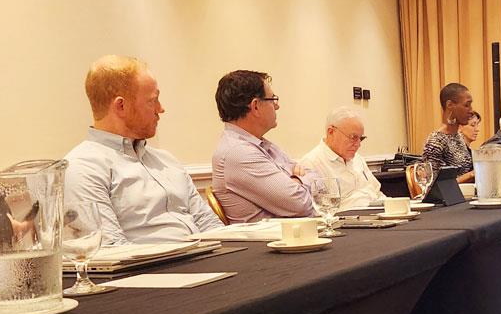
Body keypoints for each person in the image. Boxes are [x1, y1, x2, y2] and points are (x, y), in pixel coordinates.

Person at [64, 56, 223, 244]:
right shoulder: (82, 168)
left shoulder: (166, 160)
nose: (160, 109)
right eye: (152, 101)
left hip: (202, 260)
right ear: (121, 106)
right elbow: (113, 249)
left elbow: (208, 224)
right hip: (158, 270)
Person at [211, 70, 315, 223]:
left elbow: (318, 178)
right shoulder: (238, 153)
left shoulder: (261, 144)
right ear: (256, 106)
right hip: (270, 243)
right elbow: (301, 204)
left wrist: (296, 181)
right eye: (273, 99)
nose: (277, 106)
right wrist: (298, 178)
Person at [299, 106, 385, 210]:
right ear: (331, 132)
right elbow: (321, 211)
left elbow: (377, 191)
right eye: (353, 137)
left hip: (377, 214)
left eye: (360, 138)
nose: (358, 145)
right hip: (347, 221)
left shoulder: (358, 159)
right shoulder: (311, 164)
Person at [420, 82, 476, 183]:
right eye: (467, 105)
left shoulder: (458, 136)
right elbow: (434, 186)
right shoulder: (436, 142)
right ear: (450, 105)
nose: (471, 110)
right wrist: (472, 174)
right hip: (447, 199)